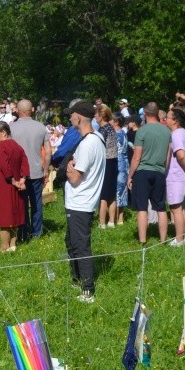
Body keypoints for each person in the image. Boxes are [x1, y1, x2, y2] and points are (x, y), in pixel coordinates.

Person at [62, 101, 106, 303]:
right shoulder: (96, 138)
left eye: (71, 115)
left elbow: (75, 178)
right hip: (80, 202)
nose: (69, 118)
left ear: (78, 117)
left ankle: (87, 290)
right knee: (72, 242)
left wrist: (69, 167)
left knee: (81, 246)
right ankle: (77, 279)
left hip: (81, 202)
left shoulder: (88, 144)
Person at [126, 102, 171, 245]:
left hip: (143, 171)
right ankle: (163, 239)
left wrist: (130, 175)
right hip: (159, 171)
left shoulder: (142, 131)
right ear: (158, 113)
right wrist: (164, 170)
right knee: (161, 207)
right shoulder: (166, 131)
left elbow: (137, 156)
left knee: (142, 207)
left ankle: (142, 240)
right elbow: (167, 156)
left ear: (145, 114)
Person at [11, 99, 49, 241]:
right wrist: (46, 169)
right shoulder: (41, 127)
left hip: (19, 174)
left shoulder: (12, 128)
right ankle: (37, 232)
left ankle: (22, 233)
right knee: (36, 203)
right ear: (32, 110)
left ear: (17, 111)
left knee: (21, 205)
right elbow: (48, 150)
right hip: (36, 170)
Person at [0, 121, 29, 253]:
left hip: (6, 184)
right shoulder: (17, 146)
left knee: (4, 215)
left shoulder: (1, 146)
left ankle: (4, 246)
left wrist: (12, 180)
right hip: (18, 183)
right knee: (15, 214)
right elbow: (25, 162)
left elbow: (4, 165)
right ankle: (13, 244)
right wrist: (22, 179)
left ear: (3, 133)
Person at [163, 107, 185, 246]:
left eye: (168, 118)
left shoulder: (176, 134)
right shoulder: (183, 133)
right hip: (180, 176)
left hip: (176, 176)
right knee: (180, 208)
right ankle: (181, 237)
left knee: (175, 208)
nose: (166, 120)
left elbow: (181, 155)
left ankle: (179, 240)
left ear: (175, 121)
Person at [95, 104, 120, 229]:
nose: (94, 116)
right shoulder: (111, 128)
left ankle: (102, 223)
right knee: (112, 193)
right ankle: (111, 221)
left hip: (106, 162)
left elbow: (98, 148)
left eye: (96, 114)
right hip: (114, 161)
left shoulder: (102, 130)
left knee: (103, 194)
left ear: (101, 116)